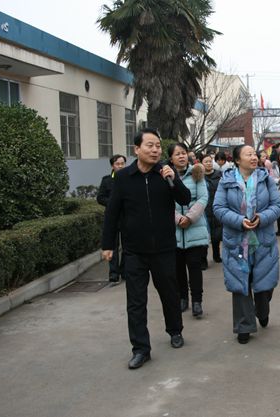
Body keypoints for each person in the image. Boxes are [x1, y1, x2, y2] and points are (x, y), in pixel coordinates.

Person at [101, 128, 191, 370]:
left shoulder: (166, 173)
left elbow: (185, 199)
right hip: (134, 252)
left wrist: (173, 181)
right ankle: (141, 348)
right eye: (150, 145)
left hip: (164, 249)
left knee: (169, 294)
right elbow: (112, 213)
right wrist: (107, 244)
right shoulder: (123, 178)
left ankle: (175, 330)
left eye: (158, 146)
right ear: (137, 149)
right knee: (135, 302)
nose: (155, 150)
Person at [213, 144, 280, 344]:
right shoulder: (226, 181)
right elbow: (218, 208)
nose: (254, 157)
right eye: (248, 154)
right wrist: (239, 221)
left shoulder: (265, 178)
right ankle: (243, 326)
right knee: (240, 284)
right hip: (236, 242)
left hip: (263, 240)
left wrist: (261, 218)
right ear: (237, 160)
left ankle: (262, 311)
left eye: (254, 154)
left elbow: (278, 205)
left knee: (264, 285)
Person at [168, 143, 209, 319]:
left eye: (183, 153)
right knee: (178, 268)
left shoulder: (196, 173)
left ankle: (197, 301)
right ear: (171, 158)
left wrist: (190, 217)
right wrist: (178, 219)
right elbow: (164, 202)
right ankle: (182, 298)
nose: (181, 156)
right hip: (174, 230)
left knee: (194, 266)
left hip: (195, 227)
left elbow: (203, 198)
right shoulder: (166, 176)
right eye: (177, 154)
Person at [97, 154, 127, 283]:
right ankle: (113, 273)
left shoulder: (129, 179)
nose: (120, 166)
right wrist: (113, 203)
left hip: (126, 217)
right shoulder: (107, 180)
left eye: (122, 163)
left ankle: (125, 271)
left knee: (127, 247)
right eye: (117, 164)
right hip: (112, 217)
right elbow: (100, 198)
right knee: (113, 246)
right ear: (112, 166)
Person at [201, 153, 223, 264]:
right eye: (206, 162)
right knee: (204, 236)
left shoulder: (219, 175)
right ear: (201, 163)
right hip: (204, 209)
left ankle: (216, 255)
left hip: (217, 208)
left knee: (217, 235)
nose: (209, 163)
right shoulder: (199, 177)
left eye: (210, 161)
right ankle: (203, 259)